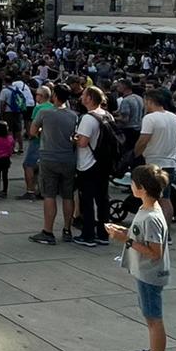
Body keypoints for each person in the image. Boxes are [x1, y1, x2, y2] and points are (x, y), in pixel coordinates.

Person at [105, 163, 171, 351]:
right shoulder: (148, 207)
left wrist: (126, 240)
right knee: (150, 316)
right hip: (144, 272)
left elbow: (155, 252)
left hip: (150, 274)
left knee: (154, 319)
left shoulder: (151, 216)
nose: (130, 185)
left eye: (132, 182)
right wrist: (123, 231)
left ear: (140, 187)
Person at [28, 84, 78, 245]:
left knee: (49, 194)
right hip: (68, 158)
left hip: (49, 156)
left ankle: (48, 231)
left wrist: (44, 132)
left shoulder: (44, 112)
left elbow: (32, 131)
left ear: (54, 96)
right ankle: (67, 229)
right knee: (68, 195)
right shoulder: (73, 115)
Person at [72, 86, 114, 246]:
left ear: (89, 98)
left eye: (83, 95)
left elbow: (83, 142)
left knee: (87, 200)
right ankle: (103, 234)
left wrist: (73, 139)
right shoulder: (107, 115)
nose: (81, 97)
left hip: (88, 164)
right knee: (103, 199)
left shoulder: (88, 118)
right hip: (104, 163)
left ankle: (88, 234)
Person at [133, 88, 176, 224]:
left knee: (151, 199)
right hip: (171, 163)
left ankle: (153, 228)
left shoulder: (150, 118)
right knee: (166, 199)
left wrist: (134, 154)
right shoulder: (175, 118)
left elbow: (143, 140)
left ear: (150, 101)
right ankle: (166, 230)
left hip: (153, 163)